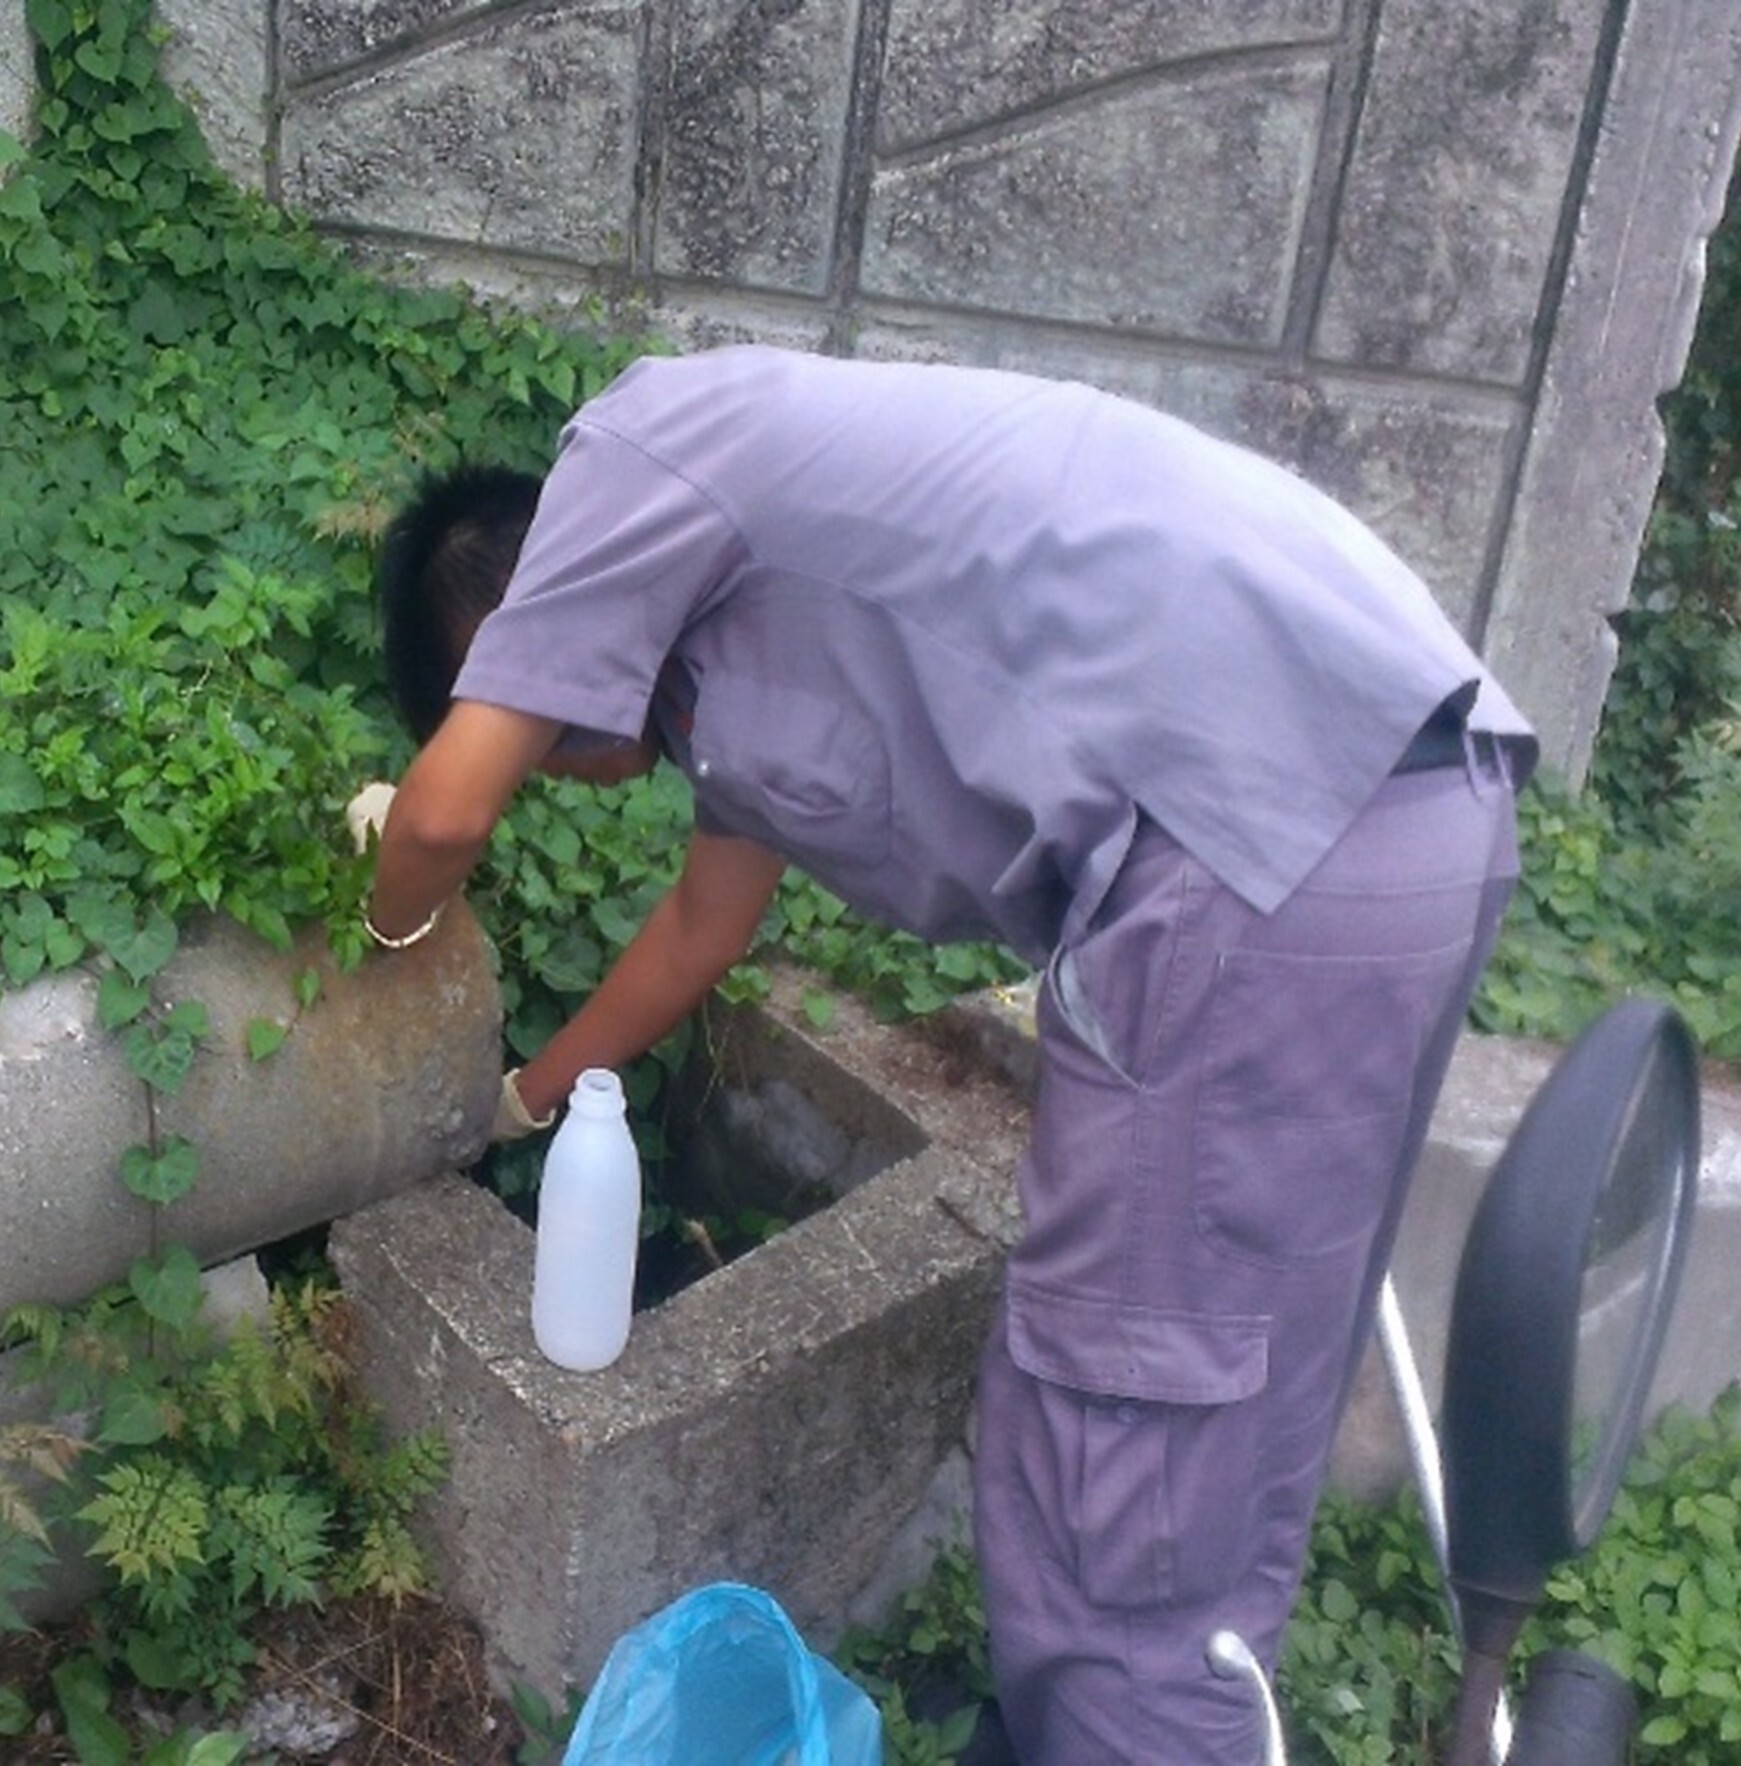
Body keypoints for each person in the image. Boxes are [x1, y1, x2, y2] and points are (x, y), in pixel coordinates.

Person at [363, 344, 1535, 1763]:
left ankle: (1123, 1727)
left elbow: (436, 819)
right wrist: (524, 1096)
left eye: (526, 732)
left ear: (509, 637)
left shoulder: (640, 450)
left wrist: (372, 930)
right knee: (1209, 1443)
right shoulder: (733, 632)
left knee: (1114, 1466)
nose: (548, 766)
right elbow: (698, 929)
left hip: (1251, 856)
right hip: (1384, 810)